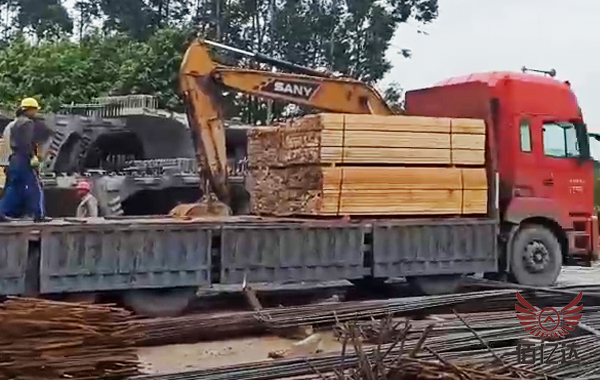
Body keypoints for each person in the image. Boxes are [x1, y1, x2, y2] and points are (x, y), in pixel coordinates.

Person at [0, 98, 52, 222]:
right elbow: (26, 142)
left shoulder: (15, 123)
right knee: (35, 187)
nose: (35, 113)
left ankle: (1, 212)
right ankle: (39, 215)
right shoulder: (27, 123)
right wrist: (33, 156)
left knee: (13, 189)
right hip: (24, 159)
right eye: (34, 110)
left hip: (14, 159)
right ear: (29, 110)